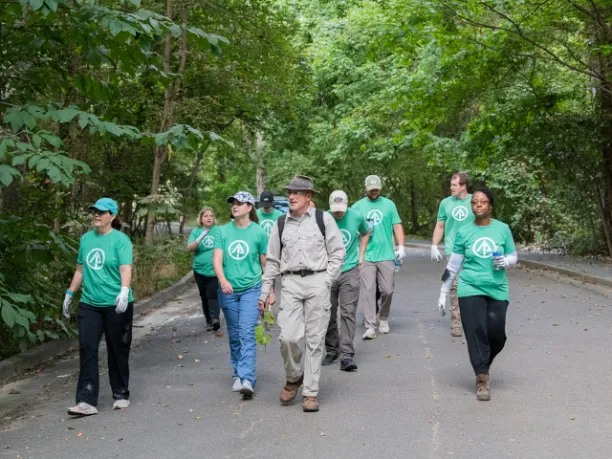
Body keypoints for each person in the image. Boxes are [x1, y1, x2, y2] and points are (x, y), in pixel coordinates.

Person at [259, 175, 345, 412]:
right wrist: (265, 291)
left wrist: (326, 281)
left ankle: (310, 392)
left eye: (296, 193)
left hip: (318, 281)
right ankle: (293, 377)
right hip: (291, 284)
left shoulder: (323, 219)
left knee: (315, 340)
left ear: (308, 197)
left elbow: (338, 253)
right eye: (289, 192)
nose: (291, 196)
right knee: (288, 337)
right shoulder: (280, 223)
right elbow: (273, 261)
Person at [437, 188, 517, 401]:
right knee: (475, 331)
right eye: (474, 202)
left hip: (497, 288)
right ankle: (482, 377)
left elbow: (513, 255)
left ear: (490, 205)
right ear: (471, 206)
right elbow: (453, 265)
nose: (478, 205)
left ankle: (483, 361)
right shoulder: (464, 231)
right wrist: (443, 291)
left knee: (497, 334)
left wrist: (506, 262)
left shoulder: (502, 229)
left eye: (483, 202)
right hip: (469, 287)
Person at [62, 198, 134, 416]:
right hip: (90, 304)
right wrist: (69, 294)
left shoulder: (121, 241)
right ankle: (86, 400)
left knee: (117, 349)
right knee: (87, 348)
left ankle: (120, 393)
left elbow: (125, 269)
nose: (96, 215)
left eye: (101, 212)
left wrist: (124, 291)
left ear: (112, 216)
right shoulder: (86, 239)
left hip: (117, 304)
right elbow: (80, 270)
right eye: (94, 211)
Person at [213, 191, 268, 399]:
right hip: (228, 290)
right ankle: (237, 372)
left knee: (247, 332)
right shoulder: (222, 231)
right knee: (235, 334)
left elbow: (265, 264)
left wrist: (268, 290)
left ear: (249, 207)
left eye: (239, 203)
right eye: (233, 203)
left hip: (252, 288)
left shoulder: (259, 232)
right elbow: (217, 260)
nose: (234, 206)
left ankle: (247, 378)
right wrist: (223, 280)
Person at [322, 190, 370, 371]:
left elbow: (366, 233)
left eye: (341, 210)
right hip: (327, 271)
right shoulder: (323, 218)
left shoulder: (356, 216)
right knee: (328, 312)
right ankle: (332, 350)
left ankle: (347, 355)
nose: (338, 213)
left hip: (349, 270)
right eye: (335, 210)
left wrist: (361, 255)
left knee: (348, 312)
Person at [353, 175, 405, 339]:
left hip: (386, 254)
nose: (374, 191)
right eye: (371, 189)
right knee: (368, 291)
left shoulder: (389, 205)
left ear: (380, 188)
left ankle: (382, 317)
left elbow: (397, 225)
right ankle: (370, 326)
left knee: (387, 290)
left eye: (376, 188)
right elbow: (350, 226)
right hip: (367, 255)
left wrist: (401, 246)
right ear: (365, 188)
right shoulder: (358, 206)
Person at [431, 172, 474, 337]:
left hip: (473, 250)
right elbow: (440, 225)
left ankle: (472, 319)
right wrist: (434, 245)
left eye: (454, 185)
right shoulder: (445, 203)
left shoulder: (474, 201)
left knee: (472, 285)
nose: (451, 188)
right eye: (451, 184)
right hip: (453, 250)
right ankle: (456, 322)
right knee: (455, 286)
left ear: (463, 186)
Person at [187, 207, 220, 331]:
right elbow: (190, 248)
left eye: (211, 215)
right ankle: (208, 320)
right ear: (201, 219)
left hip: (214, 270)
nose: (209, 218)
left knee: (212, 294)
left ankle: (215, 318)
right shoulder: (196, 232)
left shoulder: (218, 231)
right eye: (206, 216)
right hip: (199, 270)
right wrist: (202, 235)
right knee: (204, 295)